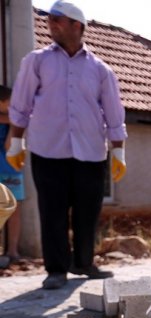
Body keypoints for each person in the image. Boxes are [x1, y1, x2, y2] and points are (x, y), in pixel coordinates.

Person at [7, 1, 127, 290]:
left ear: (77, 25)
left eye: (58, 20)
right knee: (53, 210)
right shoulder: (36, 61)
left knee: (88, 210)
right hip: (48, 149)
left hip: (91, 151)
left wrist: (119, 150)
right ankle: (56, 269)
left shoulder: (101, 70)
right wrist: (16, 142)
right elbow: (21, 104)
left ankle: (84, 263)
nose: (51, 25)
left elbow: (113, 111)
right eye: (49, 20)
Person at [0, 85, 23, 266]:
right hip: (8, 169)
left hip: (12, 169)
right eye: (10, 103)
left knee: (13, 210)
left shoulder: (14, 119)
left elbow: (10, 146)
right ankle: (8, 251)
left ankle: (12, 251)